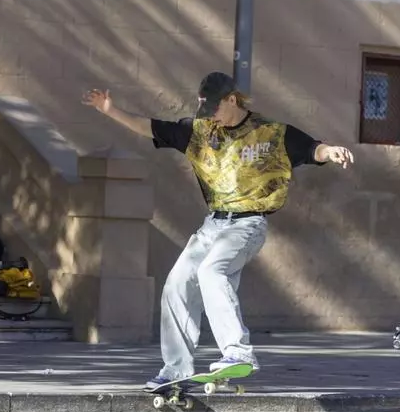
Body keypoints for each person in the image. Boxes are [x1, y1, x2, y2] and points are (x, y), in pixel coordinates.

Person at [82, 71, 355, 389]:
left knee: (212, 271)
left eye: (215, 108)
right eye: (206, 109)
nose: (211, 116)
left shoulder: (270, 132)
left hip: (248, 223)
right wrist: (110, 110)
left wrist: (330, 151)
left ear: (232, 99)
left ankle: (238, 352)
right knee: (177, 283)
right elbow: (151, 127)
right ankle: (176, 369)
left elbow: (311, 149)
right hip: (213, 225)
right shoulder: (198, 132)